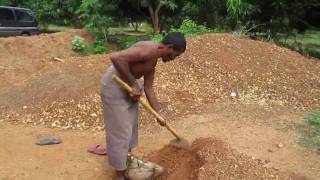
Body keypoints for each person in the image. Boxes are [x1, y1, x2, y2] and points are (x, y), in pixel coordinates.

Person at [100, 32, 186, 180]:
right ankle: (120, 175)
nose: (173, 59)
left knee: (130, 128)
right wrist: (133, 84)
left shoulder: (153, 61)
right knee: (121, 132)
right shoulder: (148, 50)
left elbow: (149, 88)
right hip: (114, 87)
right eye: (175, 55)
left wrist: (159, 113)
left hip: (129, 90)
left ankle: (125, 162)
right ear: (170, 47)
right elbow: (116, 57)